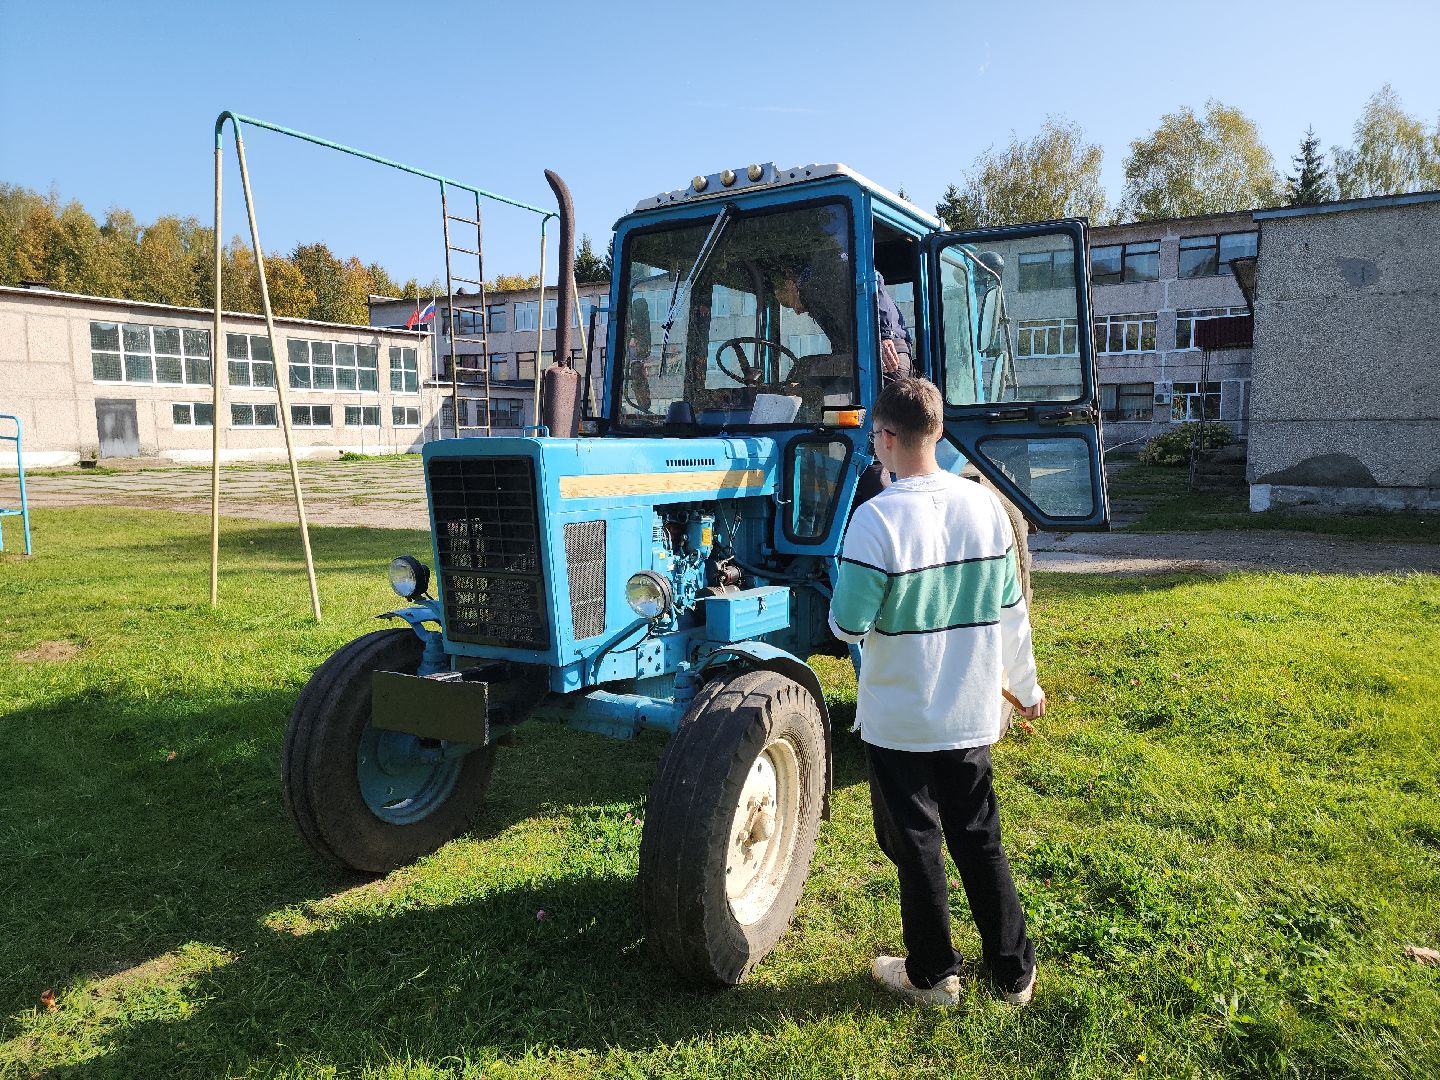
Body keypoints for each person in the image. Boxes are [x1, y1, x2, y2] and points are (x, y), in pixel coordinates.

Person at [828, 376, 1046, 1008]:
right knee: (979, 837)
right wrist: (1026, 689)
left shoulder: (874, 521)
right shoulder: (990, 510)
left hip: (900, 718)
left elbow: (848, 624)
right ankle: (1013, 975)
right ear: (941, 432)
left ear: (886, 439)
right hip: (973, 711)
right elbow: (1012, 615)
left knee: (917, 843)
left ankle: (933, 975)